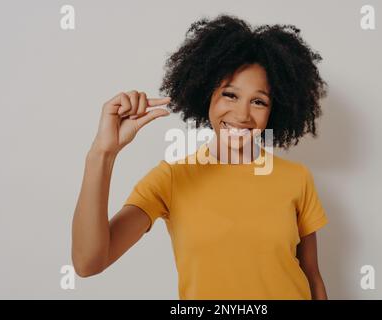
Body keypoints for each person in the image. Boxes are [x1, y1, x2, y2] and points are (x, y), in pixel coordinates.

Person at [72, 14, 329, 300]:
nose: (242, 114)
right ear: (207, 94)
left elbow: (312, 277)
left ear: (274, 110)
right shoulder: (171, 178)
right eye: (230, 95)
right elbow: (88, 263)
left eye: (258, 101)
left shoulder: (296, 178)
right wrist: (102, 153)